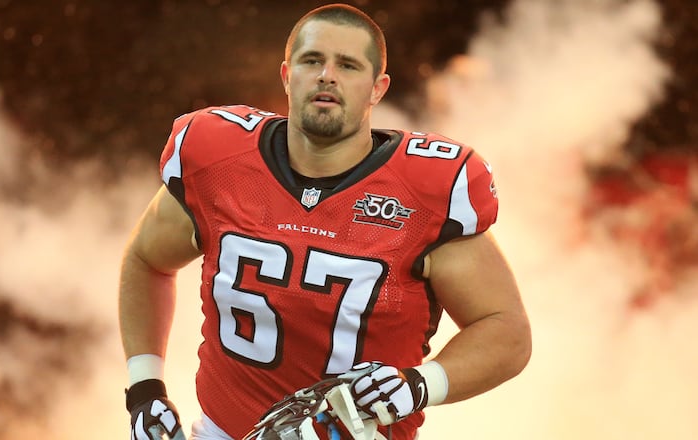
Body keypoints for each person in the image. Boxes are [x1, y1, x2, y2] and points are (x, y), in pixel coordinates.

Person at [119, 3, 531, 440]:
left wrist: (420, 384)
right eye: (312, 60)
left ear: (377, 88)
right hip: (223, 431)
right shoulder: (219, 158)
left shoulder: (426, 192)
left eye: (348, 65)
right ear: (287, 74)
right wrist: (145, 389)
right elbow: (146, 260)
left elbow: (506, 329)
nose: (327, 75)